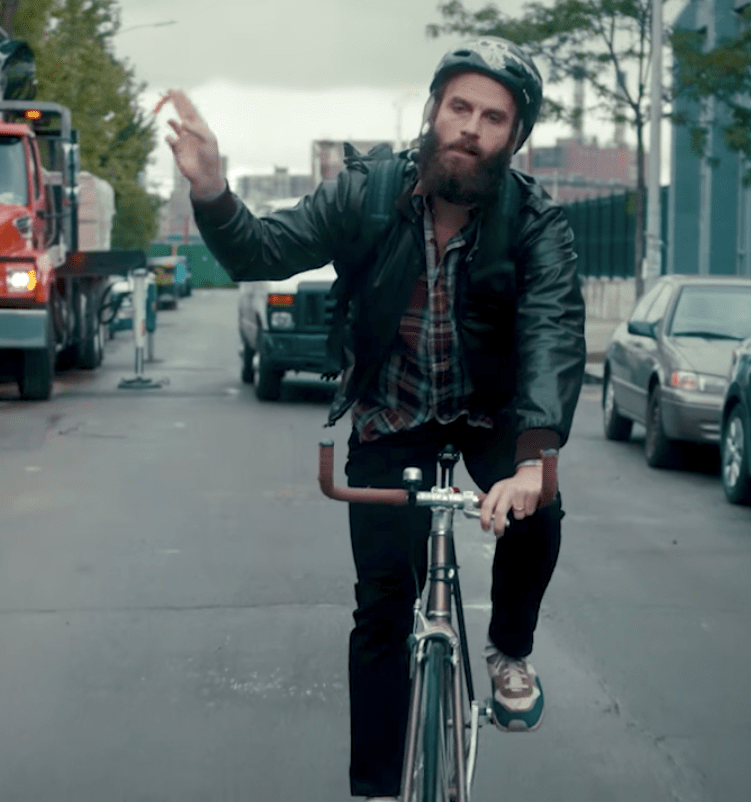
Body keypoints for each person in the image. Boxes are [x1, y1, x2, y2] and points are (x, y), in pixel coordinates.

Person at [162, 36, 585, 801]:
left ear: (513, 139)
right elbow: (261, 249)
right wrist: (214, 191)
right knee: (383, 611)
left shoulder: (537, 224)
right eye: (458, 106)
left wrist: (532, 459)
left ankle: (509, 650)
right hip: (395, 417)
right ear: (432, 111)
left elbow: (553, 333)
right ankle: (376, 791)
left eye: (493, 118)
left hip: (493, 413)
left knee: (542, 508)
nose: (470, 127)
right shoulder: (363, 193)